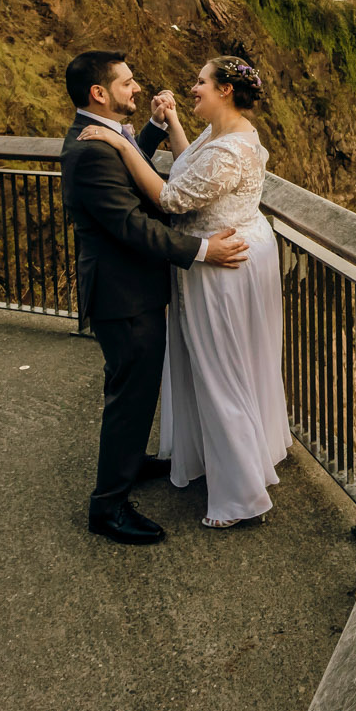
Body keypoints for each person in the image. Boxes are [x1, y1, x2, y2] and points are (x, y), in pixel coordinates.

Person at [81, 54, 289, 529]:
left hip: (222, 265)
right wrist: (171, 122)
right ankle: (231, 459)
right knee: (224, 365)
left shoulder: (230, 149)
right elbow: (190, 167)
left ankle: (239, 495)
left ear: (225, 91)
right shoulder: (218, 134)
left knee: (220, 370)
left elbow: (173, 196)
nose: (191, 87)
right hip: (220, 253)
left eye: (200, 82)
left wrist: (123, 145)